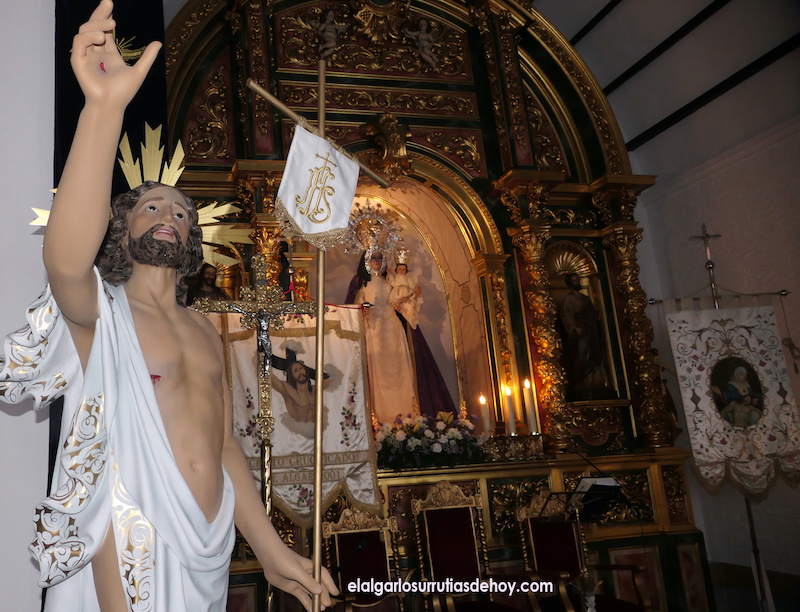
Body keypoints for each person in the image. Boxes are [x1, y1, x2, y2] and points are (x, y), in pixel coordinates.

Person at [0, 3, 336, 610]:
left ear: (193, 243)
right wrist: (104, 110)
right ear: (120, 228)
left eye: (182, 213)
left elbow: (224, 446)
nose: (170, 216)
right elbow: (66, 262)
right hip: (131, 537)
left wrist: (270, 551)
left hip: (208, 546)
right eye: (151, 207)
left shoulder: (205, 330)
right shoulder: (102, 314)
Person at [346, 251, 419, 424]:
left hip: (393, 328)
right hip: (373, 329)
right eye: (373, 257)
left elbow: (400, 300)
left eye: (380, 257)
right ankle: (380, 418)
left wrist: (409, 298)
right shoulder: (360, 282)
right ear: (366, 260)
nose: (377, 261)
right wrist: (363, 309)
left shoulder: (390, 280)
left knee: (399, 371)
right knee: (377, 374)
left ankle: (406, 416)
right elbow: (353, 308)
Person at [560, 273, 609, 400]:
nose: (577, 282)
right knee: (582, 356)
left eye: (578, 280)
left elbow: (593, 315)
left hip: (591, 331)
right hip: (580, 333)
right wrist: (573, 327)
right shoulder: (568, 299)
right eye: (574, 281)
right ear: (570, 284)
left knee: (595, 354)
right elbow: (567, 316)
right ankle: (584, 382)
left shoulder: (586, 299)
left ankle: (596, 382)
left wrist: (596, 313)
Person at [387, 261, 422, 329]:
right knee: (396, 300)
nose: (401, 271)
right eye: (400, 269)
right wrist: (389, 274)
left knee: (409, 301)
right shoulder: (396, 278)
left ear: (406, 271)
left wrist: (415, 288)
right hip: (397, 292)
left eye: (403, 269)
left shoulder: (407, 278)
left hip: (406, 291)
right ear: (396, 270)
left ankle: (405, 305)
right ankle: (398, 306)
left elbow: (411, 285)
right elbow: (392, 282)